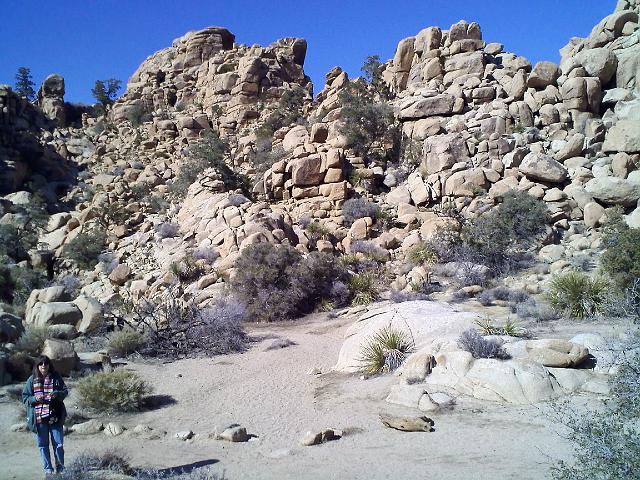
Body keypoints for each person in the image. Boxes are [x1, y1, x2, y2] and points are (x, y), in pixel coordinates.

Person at [22, 355, 68, 477]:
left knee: (58, 444)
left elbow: (64, 391)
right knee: (43, 445)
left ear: (49, 365)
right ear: (37, 366)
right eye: (41, 364)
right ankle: (48, 469)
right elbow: (25, 397)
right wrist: (35, 398)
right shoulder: (32, 380)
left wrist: (57, 394)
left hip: (55, 416)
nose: (43, 366)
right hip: (39, 418)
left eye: (46, 363)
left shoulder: (56, 377)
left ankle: (60, 468)